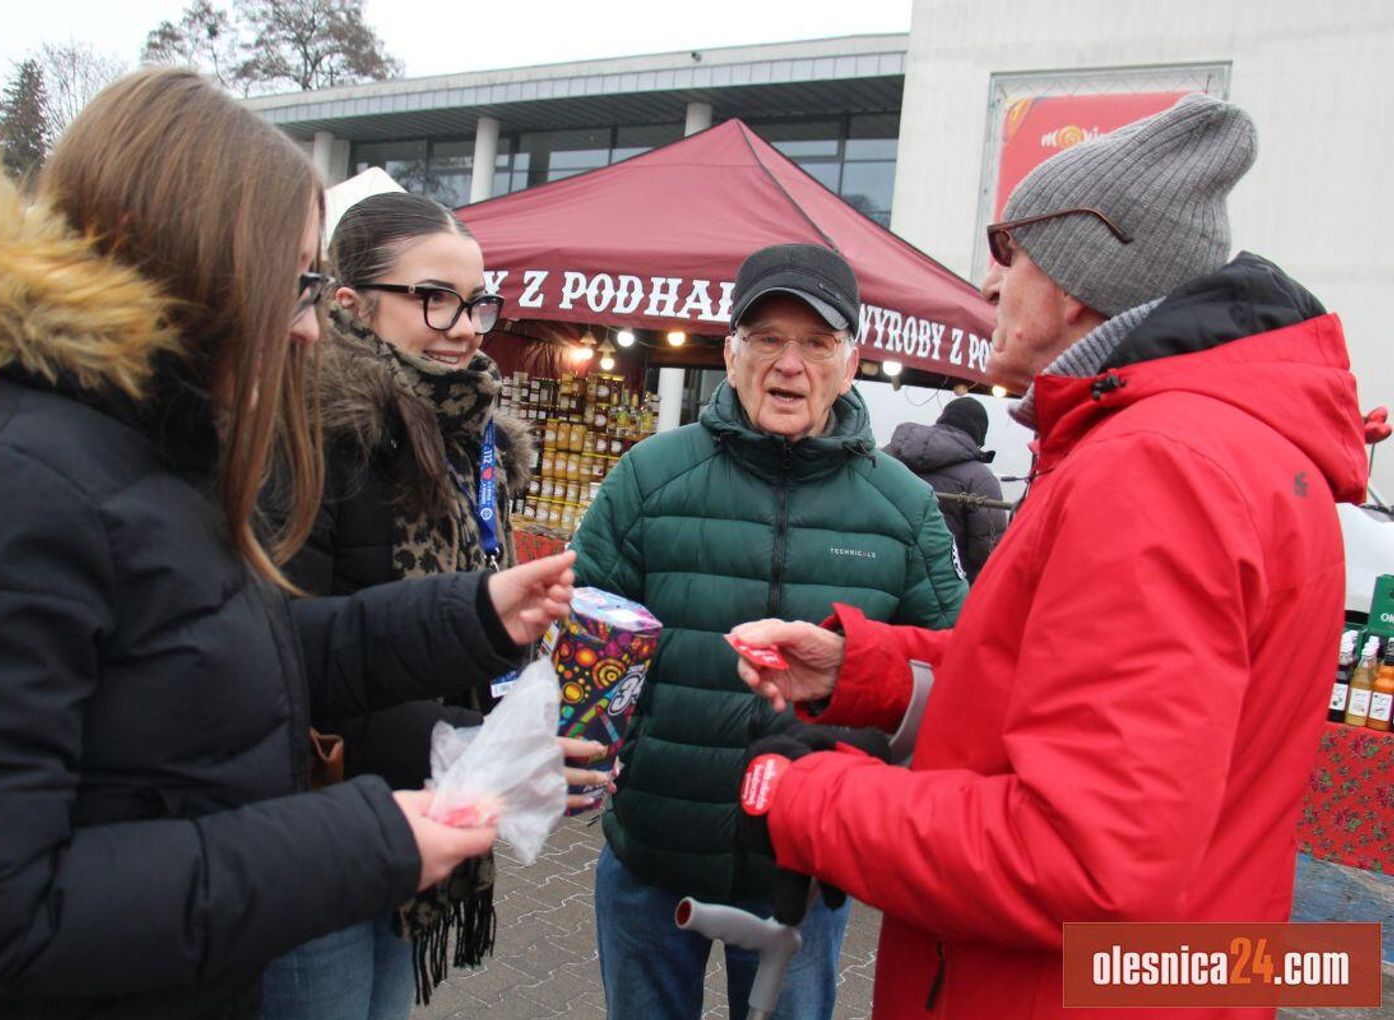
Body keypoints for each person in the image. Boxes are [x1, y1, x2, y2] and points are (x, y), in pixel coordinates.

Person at [0, 68, 578, 1019]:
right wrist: (364, 841)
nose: (313, 330)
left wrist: (471, 613)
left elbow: (237, 656)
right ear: (193, 264)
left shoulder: (137, 446)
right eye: (296, 284)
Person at [733, 95, 1366, 1020]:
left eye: (1009, 250)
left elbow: (1085, 859)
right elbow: (1060, 685)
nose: (990, 285)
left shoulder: (1157, 467)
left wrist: (809, 799)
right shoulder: (1210, 446)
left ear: (1075, 279)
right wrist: (867, 670)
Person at [571, 243, 966, 1019]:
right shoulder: (650, 477)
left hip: (806, 871)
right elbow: (581, 634)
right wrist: (578, 746)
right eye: (767, 339)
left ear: (849, 366)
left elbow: (958, 667)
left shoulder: (904, 506)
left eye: (817, 343)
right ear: (730, 354)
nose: (790, 365)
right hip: (652, 855)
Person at [260, 192, 607, 1019]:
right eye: (433, 298)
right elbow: (283, 662)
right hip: (318, 838)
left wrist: (513, 711)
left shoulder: (471, 435)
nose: (464, 328)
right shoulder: (306, 433)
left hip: (423, 829)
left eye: (477, 302)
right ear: (350, 304)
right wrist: (472, 751)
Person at [884, 397, 1007, 580]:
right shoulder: (980, 478)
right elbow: (986, 551)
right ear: (979, 435)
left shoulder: (886, 456)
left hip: (881, 570)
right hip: (945, 582)